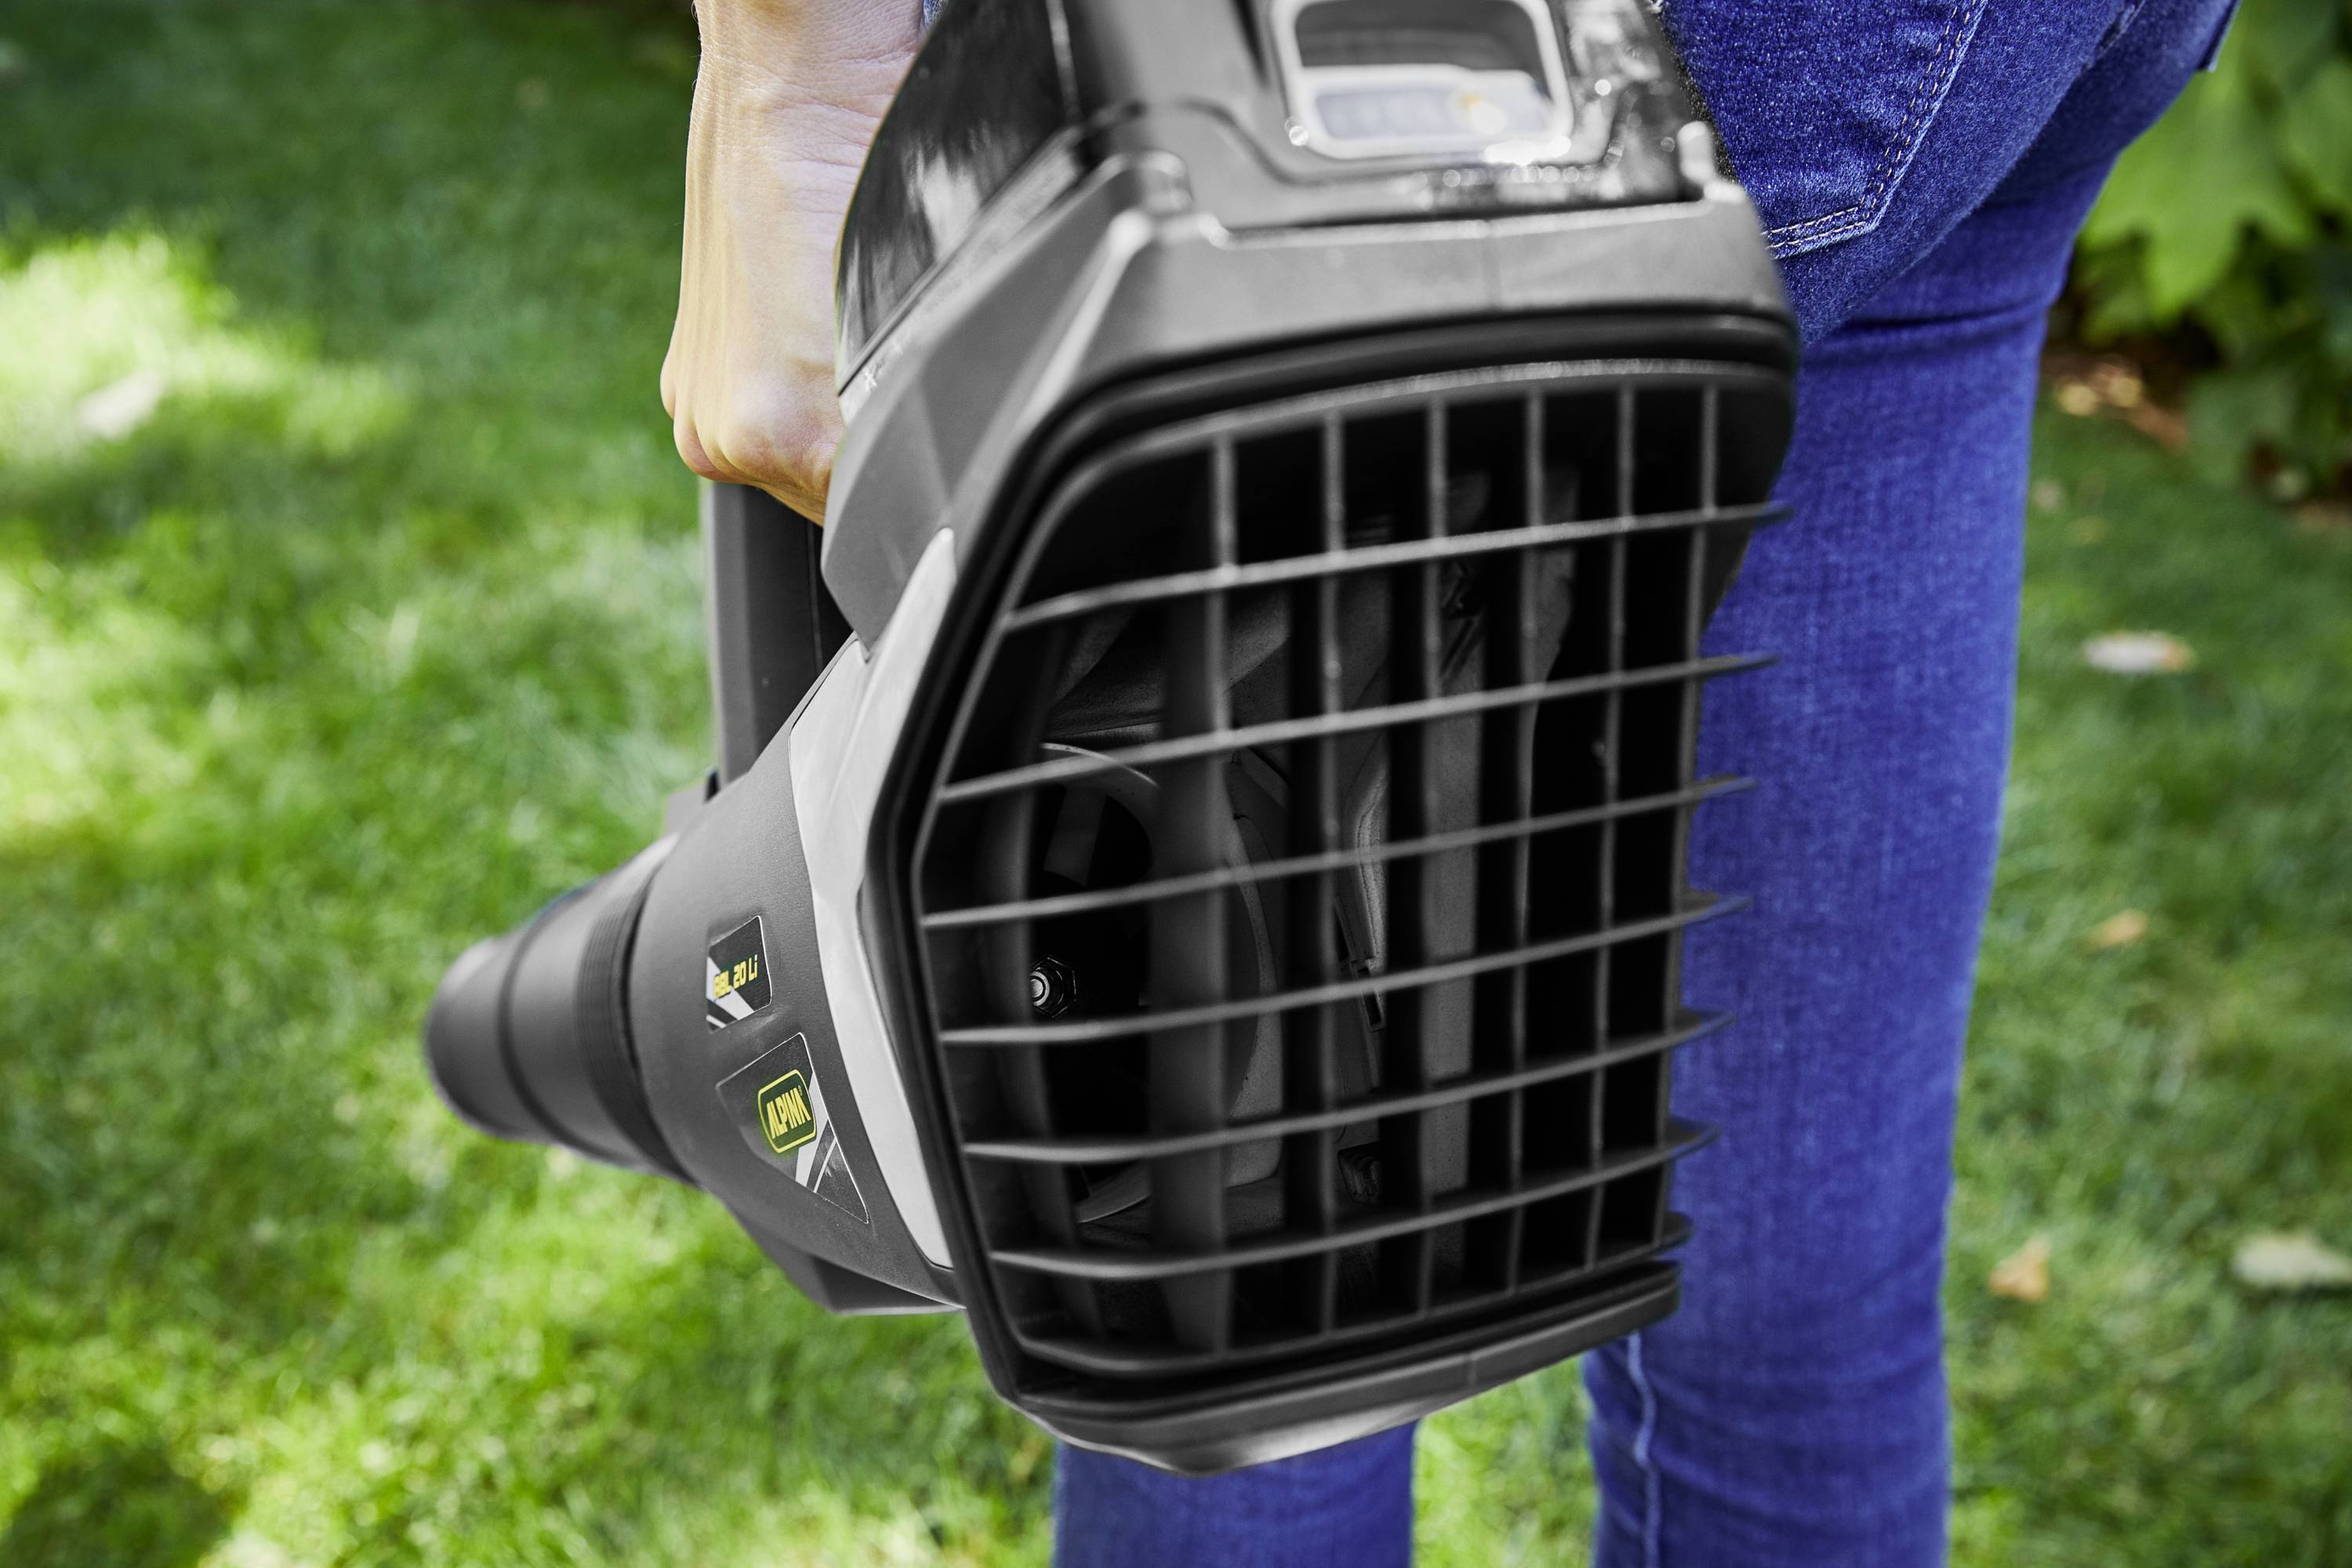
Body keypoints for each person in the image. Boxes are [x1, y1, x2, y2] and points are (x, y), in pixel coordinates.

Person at [662, 0, 2241, 1561]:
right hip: (2019, 47)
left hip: (1471, 63)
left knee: (1253, 1250)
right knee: (1792, 1298)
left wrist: (783, 75)